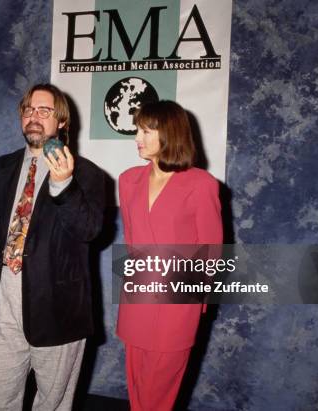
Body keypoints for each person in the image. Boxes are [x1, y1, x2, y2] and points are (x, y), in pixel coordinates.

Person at [0, 83, 105, 410]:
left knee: (53, 404)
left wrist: (63, 185)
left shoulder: (87, 174)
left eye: (44, 111)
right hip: (4, 302)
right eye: (28, 110)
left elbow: (89, 230)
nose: (34, 117)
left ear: (62, 122)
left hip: (59, 309)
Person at [116, 101, 223, 411]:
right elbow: (132, 241)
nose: (137, 137)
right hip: (137, 299)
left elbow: (211, 253)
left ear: (171, 134)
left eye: (147, 131)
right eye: (138, 129)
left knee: (158, 395)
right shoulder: (127, 179)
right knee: (137, 390)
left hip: (176, 306)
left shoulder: (201, 184)